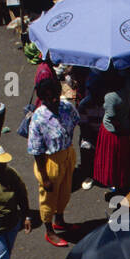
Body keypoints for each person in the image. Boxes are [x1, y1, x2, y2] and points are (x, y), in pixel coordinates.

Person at [25, 77, 78, 247]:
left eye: (55, 95)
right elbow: (37, 151)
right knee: (48, 198)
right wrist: (45, 177)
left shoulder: (66, 107)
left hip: (67, 155)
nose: (53, 100)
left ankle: (60, 221)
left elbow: (75, 122)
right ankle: (49, 230)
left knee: (64, 192)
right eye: (48, 98)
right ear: (42, 98)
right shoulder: (38, 118)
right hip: (49, 162)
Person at [92, 69, 130, 194]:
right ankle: (121, 182)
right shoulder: (127, 90)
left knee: (112, 160)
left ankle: (115, 184)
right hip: (125, 127)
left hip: (113, 133)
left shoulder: (111, 97)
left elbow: (112, 118)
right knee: (121, 160)